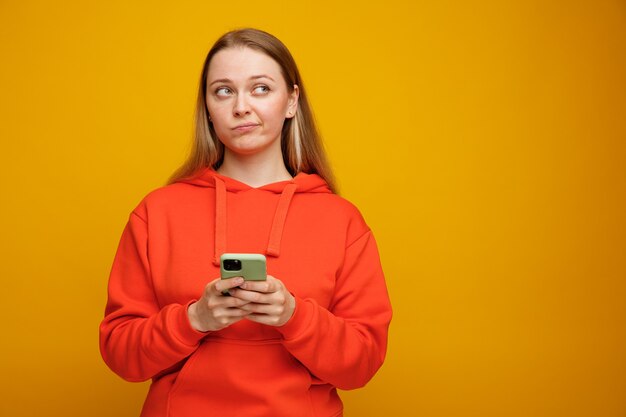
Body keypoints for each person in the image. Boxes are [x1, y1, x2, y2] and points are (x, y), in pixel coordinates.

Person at [99, 28, 392, 417]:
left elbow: (362, 364)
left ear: (291, 101)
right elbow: (121, 354)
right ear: (207, 107)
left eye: (260, 88)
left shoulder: (342, 221)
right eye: (223, 90)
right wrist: (194, 319)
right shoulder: (157, 212)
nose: (241, 107)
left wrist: (293, 316)